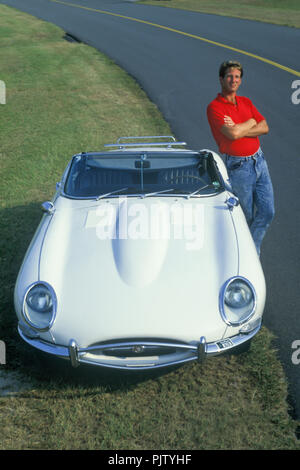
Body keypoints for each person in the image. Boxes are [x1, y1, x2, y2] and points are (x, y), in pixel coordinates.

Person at [206, 60, 275, 255]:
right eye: (229, 76)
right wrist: (251, 122)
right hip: (239, 168)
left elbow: (265, 127)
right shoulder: (214, 107)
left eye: (237, 77)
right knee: (244, 218)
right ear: (221, 79)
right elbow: (233, 135)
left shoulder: (246, 102)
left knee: (267, 211)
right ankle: (247, 256)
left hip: (259, 162)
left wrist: (241, 125)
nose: (233, 80)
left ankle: (249, 253)